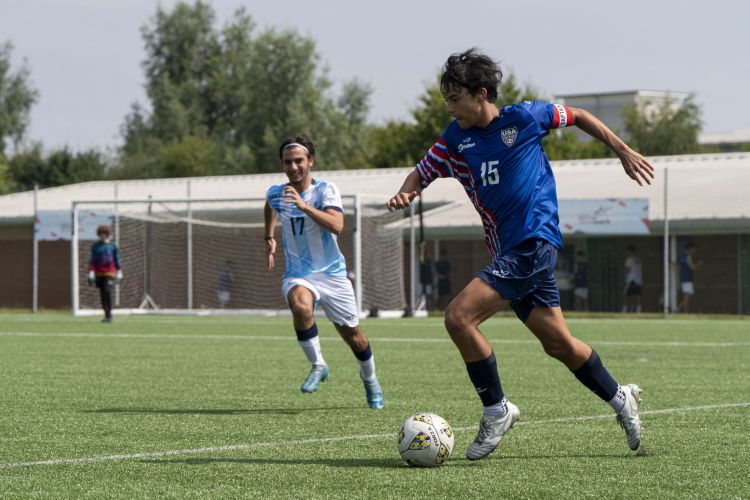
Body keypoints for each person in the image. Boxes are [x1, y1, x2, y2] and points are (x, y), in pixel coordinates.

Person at [386, 48, 653, 460]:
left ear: (482, 94)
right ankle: (621, 398)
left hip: (534, 243)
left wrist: (621, 149)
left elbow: (578, 115)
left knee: (459, 317)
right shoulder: (456, 138)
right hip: (509, 251)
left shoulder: (525, 118)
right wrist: (408, 191)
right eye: (447, 100)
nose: (450, 107)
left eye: (456, 98)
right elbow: (422, 171)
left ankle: (496, 408)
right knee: (559, 344)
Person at [264, 133, 384, 409]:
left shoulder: (325, 190)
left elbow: (337, 225)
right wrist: (268, 236)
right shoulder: (276, 193)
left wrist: (304, 206)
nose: (293, 167)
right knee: (300, 305)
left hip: (332, 275)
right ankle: (318, 365)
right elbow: (269, 206)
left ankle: (370, 379)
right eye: (287, 162)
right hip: (299, 274)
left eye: (298, 161)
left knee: (355, 337)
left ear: (311, 161)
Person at [87, 225, 122, 323]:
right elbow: (93, 260)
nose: (102, 236)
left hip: (110, 272)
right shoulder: (96, 246)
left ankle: (110, 314)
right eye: (101, 234)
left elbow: (116, 259)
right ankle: (106, 315)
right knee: (102, 294)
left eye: (104, 234)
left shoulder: (112, 246)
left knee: (107, 291)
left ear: (107, 235)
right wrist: (91, 272)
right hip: (99, 273)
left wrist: (119, 271)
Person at [678, 242, 703, 313]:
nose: (694, 251)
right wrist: (699, 264)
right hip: (687, 279)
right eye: (694, 249)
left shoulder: (682, 256)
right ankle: (682, 311)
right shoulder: (688, 256)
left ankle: (680, 309)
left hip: (684, 278)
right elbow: (692, 267)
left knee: (690, 295)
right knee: (687, 297)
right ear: (690, 249)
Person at [622, 245, 642, 314]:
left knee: (626, 295)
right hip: (638, 280)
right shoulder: (638, 259)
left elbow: (627, 269)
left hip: (631, 280)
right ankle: (638, 310)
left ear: (629, 251)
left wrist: (624, 277)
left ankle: (624, 310)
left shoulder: (629, 259)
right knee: (637, 295)